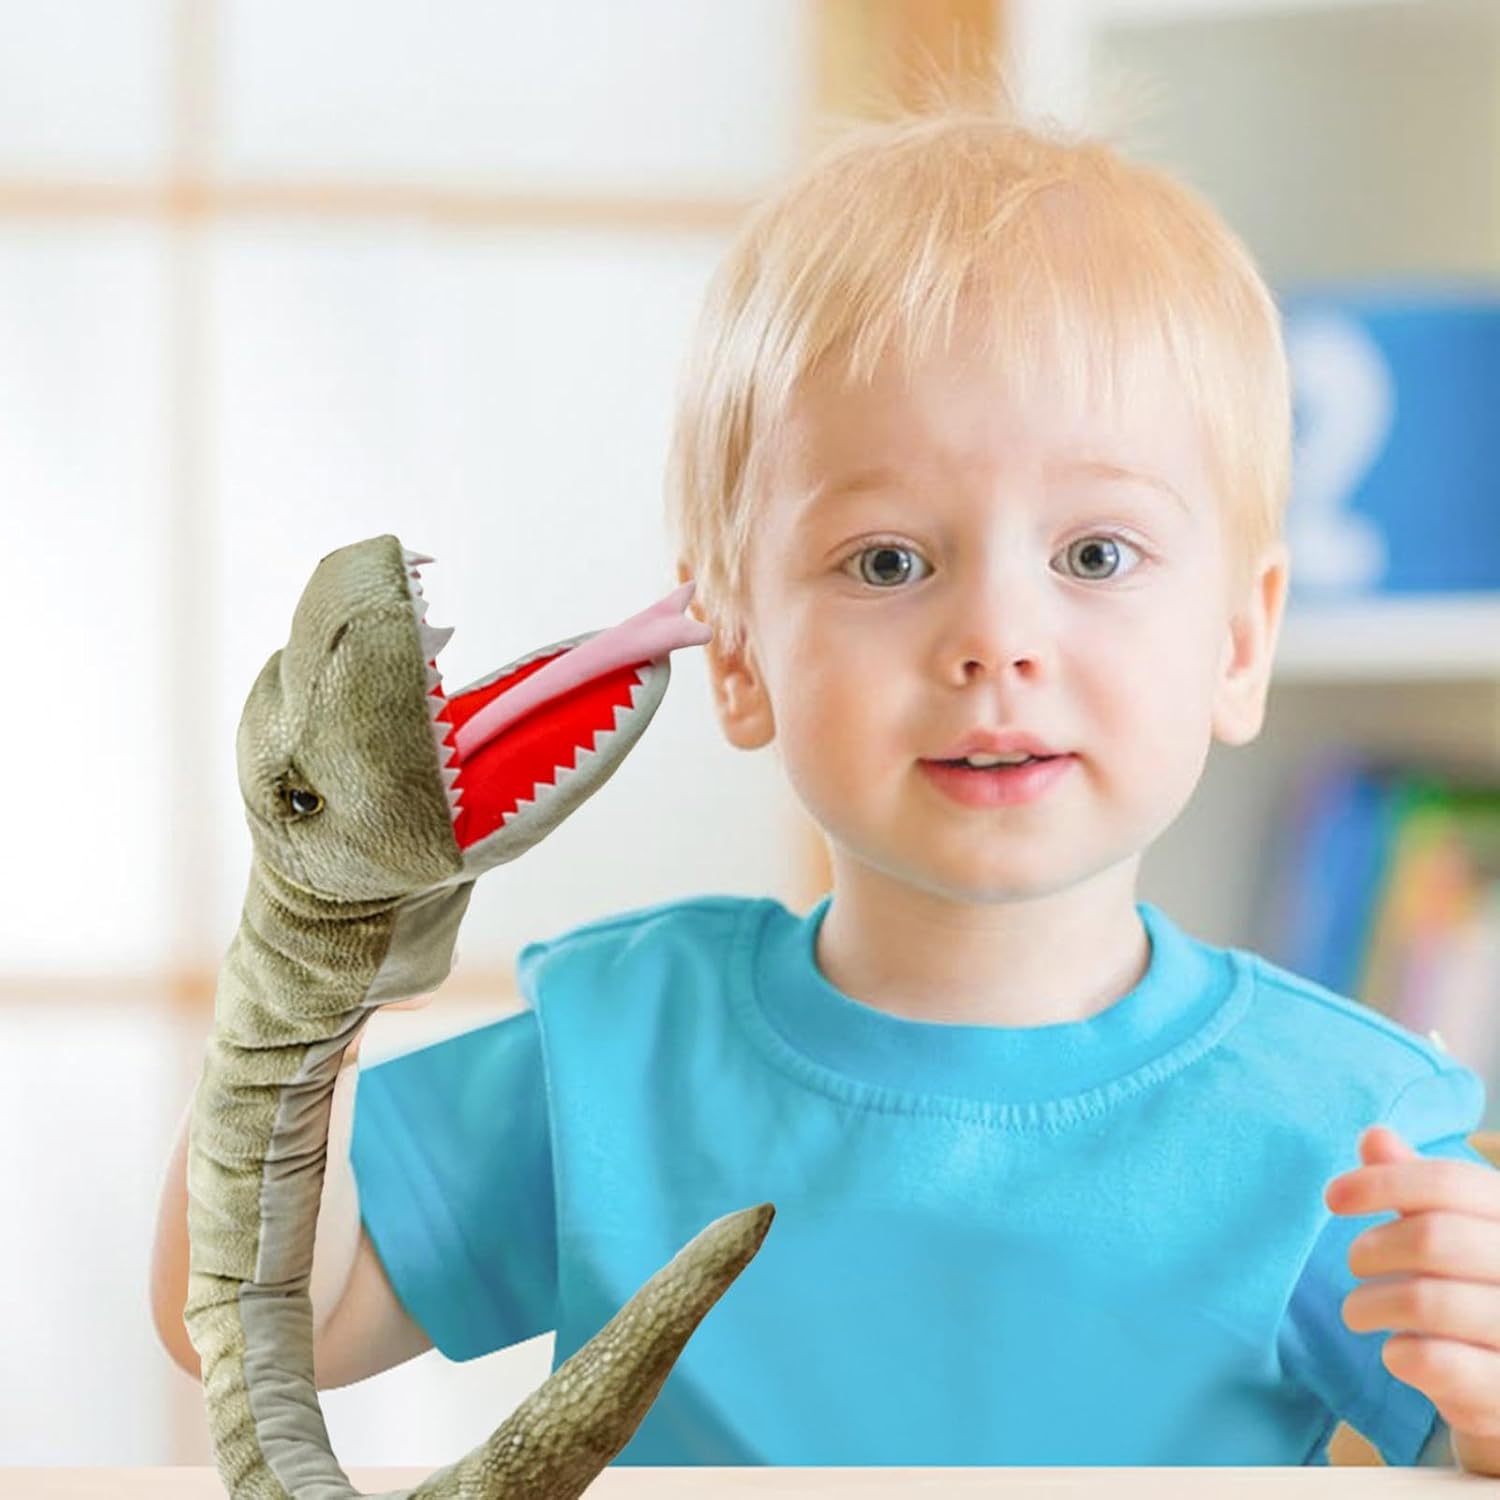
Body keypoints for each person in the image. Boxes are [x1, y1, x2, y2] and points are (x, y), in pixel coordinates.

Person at [152, 101, 1500, 1471]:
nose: (997, 639)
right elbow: (254, 1321)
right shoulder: (617, 1053)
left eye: (1095, 555)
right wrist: (310, 954)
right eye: (888, 562)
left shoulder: (1342, 1126)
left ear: (1241, 642)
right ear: (736, 651)